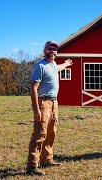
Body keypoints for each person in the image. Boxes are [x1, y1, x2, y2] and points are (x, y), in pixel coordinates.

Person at [27, 40, 73, 176]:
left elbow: (58, 68)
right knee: (39, 134)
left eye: (54, 49)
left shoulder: (52, 64)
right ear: (44, 51)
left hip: (54, 103)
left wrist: (66, 64)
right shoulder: (39, 66)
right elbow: (33, 88)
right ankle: (32, 166)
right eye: (49, 49)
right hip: (43, 102)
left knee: (52, 131)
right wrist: (36, 109)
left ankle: (47, 159)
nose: (52, 51)